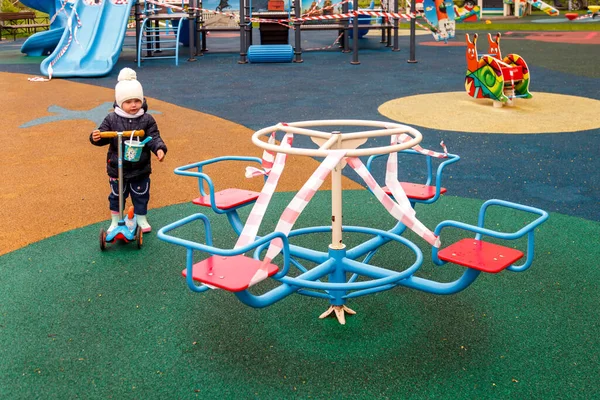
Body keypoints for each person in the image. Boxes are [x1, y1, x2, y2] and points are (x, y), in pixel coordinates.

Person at [90, 68, 167, 233]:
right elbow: (103, 135)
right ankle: (115, 220)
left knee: (141, 193)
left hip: (140, 167)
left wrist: (159, 148)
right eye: (128, 101)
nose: (133, 105)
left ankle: (141, 217)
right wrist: (96, 137)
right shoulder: (111, 118)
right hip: (117, 167)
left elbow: (153, 136)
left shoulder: (146, 119)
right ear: (119, 102)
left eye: (137, 101)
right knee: (116, 196)